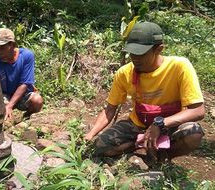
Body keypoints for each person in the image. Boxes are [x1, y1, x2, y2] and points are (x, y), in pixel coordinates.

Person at [85, 21, 205, 161]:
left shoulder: (179, 67)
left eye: (141, 54)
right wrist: (90, 134)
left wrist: (160, 124)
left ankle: (164, 156)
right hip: (138, 125)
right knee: (99, 147)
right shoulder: (124, 73)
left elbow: (198, 111)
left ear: (159, 49)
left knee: (193, 133)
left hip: (171, 125)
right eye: (132, 53)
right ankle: (141, 144)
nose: (135, 58)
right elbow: (110, 109)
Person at [0, 28, 43, 120]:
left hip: (24, 94)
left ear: (12, 44)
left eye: (2, 48)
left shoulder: (26, 56)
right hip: (6, 96)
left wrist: (10, 106)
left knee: (37, 101)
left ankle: (27, 117)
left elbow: (25, 84)